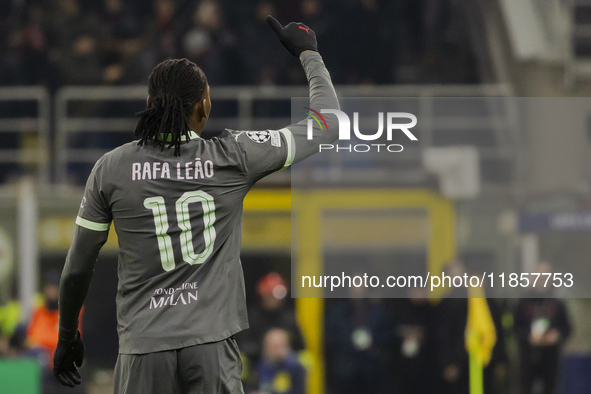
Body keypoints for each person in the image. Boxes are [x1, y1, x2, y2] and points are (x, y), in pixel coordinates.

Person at [52, 15, 339, 394]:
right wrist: (308, 53)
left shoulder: (110, 168)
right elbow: (327, 123)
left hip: (142, 351)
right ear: (203, 107)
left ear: (151, 105)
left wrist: (68, 334)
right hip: (211, 348)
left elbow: (77, 268)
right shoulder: (233, 157)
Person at [514, 261, 571, 394]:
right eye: (538, 275)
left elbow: (567, 328)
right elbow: (516, 327)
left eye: (545, 276)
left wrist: (556, 335)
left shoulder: (558, 300)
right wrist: (528, 336)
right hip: (527, 356)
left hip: (550, 357)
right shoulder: (523, 300)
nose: (542, 279)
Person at [255, 328, 306, 394]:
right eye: (271, 346)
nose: (276, 351)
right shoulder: (258, 366)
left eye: (278, 346)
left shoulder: (295, 368)